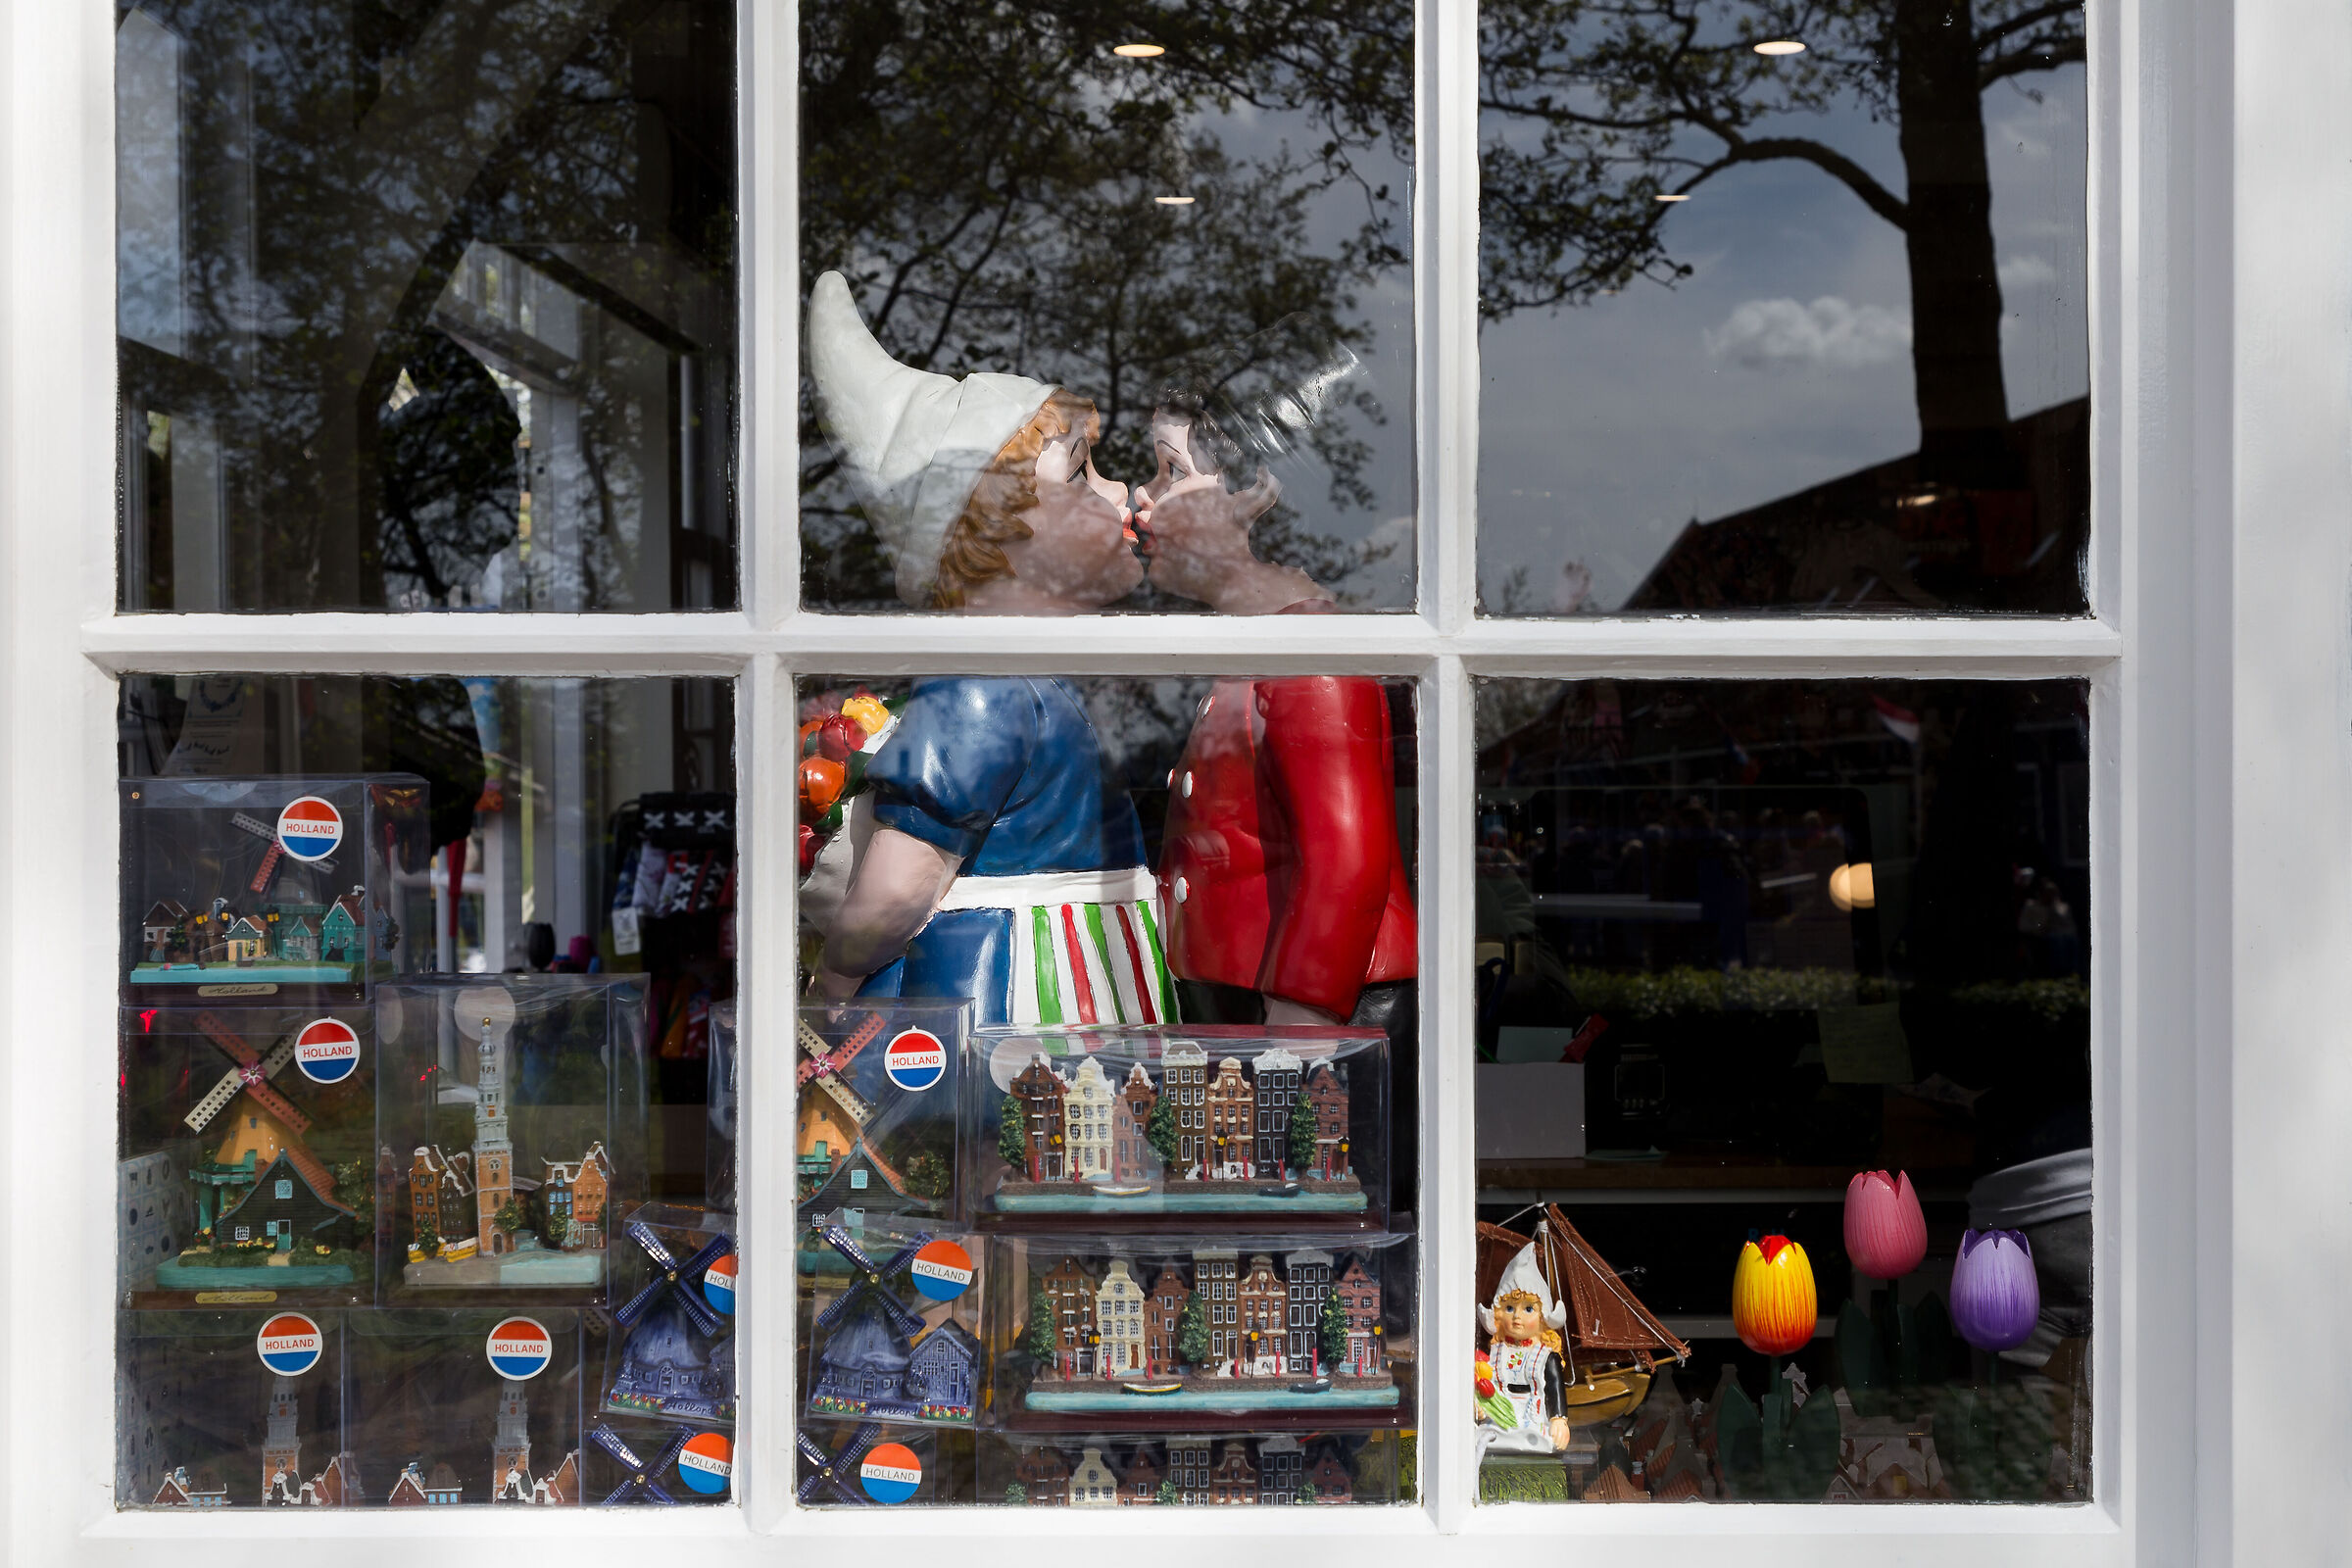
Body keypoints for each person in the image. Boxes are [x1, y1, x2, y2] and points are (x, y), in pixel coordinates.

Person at [804, 271, 1170, 1024]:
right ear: (995, 530)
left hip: (1081, 976)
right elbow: (902, 882)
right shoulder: (982, 688)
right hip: (1016, 987)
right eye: (1082, 473)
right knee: (1016, 1134)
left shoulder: (1033, 680)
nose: (1119, 490)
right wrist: (831, 989)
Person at [1476, 1242, 1572, 1457]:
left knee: (1537, 1441)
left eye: (1528, 1309)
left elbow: (1555, 1390)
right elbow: (1485, 1383)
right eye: (1510, 1308)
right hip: (1498, 1423)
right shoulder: (1495, 1353)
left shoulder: (1546, 1356)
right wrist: (1479, 1405)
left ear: (1542, 1318)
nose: (1517, 1317)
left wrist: (1558, 1419)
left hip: (1533, 1420)